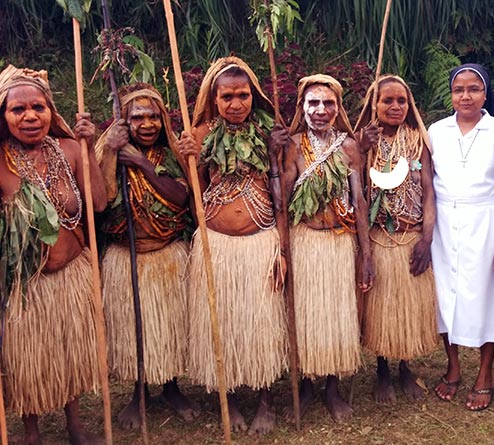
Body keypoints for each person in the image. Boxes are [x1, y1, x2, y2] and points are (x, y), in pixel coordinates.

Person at [176, 56, 288, 435]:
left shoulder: (268, 131)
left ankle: (266, 399)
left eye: (243, 95)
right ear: (214, 98)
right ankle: (231, 399)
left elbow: (281, 194)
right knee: (223, 323)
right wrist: (187, 156)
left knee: (262, 324)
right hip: (218, 246)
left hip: (260, 243)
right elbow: (194, 191)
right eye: (227, 97)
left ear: (254, 96)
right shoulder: (200, 135)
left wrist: (282, 251)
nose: (236, 104)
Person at [0, 65, 107, 444]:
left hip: (72, 274)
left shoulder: (70, 150)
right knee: (28, 359)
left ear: (51, 111)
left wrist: (88, 148)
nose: (30, 116)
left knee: (70, 353)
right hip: (26, 283)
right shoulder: (0, 160)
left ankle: (75, 425)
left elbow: (98, 203)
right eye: (18, 109)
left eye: (38, 107)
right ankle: (31, 433)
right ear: (4, 116)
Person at [270, 74, 373, 422]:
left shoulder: (349, 147)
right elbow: (282, 203)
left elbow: (359, 201)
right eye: (313, 103)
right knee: (306, 315)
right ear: (302, 107)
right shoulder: (293, 146)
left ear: (338, 107)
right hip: (305, 242)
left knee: (337, 315)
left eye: (328, 103)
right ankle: (305, 384)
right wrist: (282, 250)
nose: (321, 110)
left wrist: (366, 255)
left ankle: (332, 386)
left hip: (339, 242)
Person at [95, 82, 198, 428]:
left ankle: (171, 387)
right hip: (125, 258)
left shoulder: (171, 154)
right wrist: (112, 152)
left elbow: (182, 198)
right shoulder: (108, 152)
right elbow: (100, 202)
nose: (148, 124)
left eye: (154, 116)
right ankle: (139, 392)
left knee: (170, 326)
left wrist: (142, 164)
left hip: (167, 254)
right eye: (138, 117)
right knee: (133, 329)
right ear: (124, 121)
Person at [428, 64, 494, 411]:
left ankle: (485, 373)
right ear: (451, 94)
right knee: (444, 296)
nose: (466, 96)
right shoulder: (436, 131)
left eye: (474, 89)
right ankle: (452, 366)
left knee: (486, 297)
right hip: (443, 224)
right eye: (459, 90)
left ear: (485, 93)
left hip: (486, 223)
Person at [355, 75, 439, 404]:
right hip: (379, 238)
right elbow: (356, 192)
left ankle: (405, 366)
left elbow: (429, 191)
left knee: (408, 308)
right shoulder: (364, 142)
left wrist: (427, 238)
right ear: (373, 105)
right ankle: (382, 370)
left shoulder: (419, 141)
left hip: (411, 235)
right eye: (387, 100)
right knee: (381, 309)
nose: (395, 106)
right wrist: (361, 148)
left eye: (401, 100)